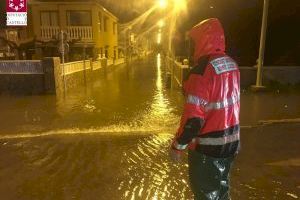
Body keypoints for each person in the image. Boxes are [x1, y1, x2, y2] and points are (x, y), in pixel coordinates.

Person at [170, 18, 240, 200]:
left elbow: (193, 120)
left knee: (205, 194)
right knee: (222, 191)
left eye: (194, 42)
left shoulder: (200, 72)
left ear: (201, 41)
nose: (192, 47)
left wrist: (178, 146)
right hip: (231, 144)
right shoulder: (232, 65)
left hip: (208, 149)